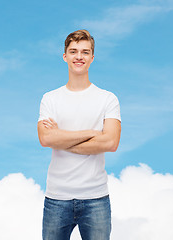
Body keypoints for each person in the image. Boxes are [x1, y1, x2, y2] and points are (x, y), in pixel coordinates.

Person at [37, 29, 121, 240]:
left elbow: (110, 142)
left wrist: (61, 138)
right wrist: (92, 134)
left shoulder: (108, 99)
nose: (79, 57)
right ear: (65, 56)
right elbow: (46, 139)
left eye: (85, 52)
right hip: (57, 197)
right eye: (73, 51)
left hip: (96, 198)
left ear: (92, 57)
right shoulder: (50, 98)